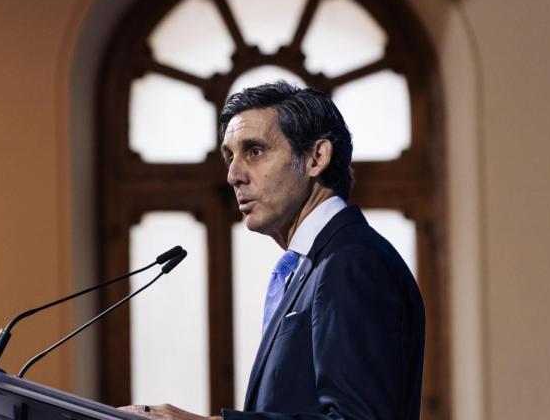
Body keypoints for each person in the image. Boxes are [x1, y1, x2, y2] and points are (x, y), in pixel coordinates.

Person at [121, 81, 425, 420]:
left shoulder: (351, 261)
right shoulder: (314, 266)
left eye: (254, 151)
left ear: (316, 157)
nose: (234, 175)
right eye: (229, 156)